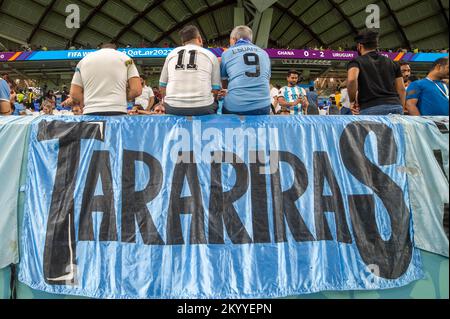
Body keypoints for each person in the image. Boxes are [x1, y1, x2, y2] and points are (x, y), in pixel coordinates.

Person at [65, 43, 142, 116]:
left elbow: (74, 93)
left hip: (90, 111)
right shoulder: (127, 59)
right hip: (117, 111)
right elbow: (136, 90)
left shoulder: (83, 61)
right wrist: (120, 98)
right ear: (115, 49)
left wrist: (86, 103)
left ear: (100, 49)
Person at [159, 25, 221, 116]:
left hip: (173, 108)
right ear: (199, 39)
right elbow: (215, 90)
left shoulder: (171, 54)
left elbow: (162, 86)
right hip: (203, 108)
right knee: (215, 103)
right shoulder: (210, 55)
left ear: (183, 42)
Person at [347, 29, 405, 115]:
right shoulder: (392, 62)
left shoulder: (356, 62)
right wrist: (401, 107)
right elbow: (402, 89)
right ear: (375, 46)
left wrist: (352, 101)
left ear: (359, 46)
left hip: (371, 107)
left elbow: (352, 80)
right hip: (395, 106)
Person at [220, 25, 272, 115]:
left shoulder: (227, 53)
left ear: (233, 39)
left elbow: (224, 83)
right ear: (250, 39)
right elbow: (267, 80)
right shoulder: (264, 53)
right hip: (263, 106)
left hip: (236, 107)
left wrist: (228, 90)